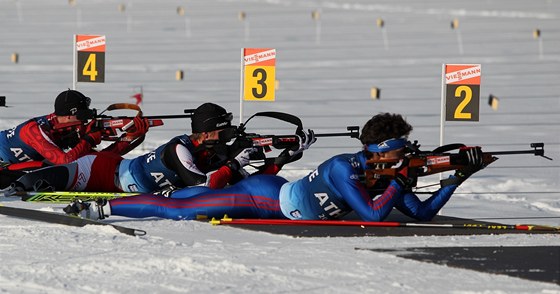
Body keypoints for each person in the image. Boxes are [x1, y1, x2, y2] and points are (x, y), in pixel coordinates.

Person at [66, 113, 485, 222]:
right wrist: (399, 180)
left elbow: (423, 212)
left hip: (276, 189)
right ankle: (103, 208)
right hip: (265, 199)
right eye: (397, 153)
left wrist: (457, 178)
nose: (402, 159)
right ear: (378, 150)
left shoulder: (385, 173)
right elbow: (374, 213)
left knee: (185, 198)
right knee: (180, 209)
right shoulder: (344, 167)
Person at [10, 102, 315, 194]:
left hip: (116, 172)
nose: (229, 138)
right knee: (36, 179)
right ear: (207, 132)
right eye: (224, 132)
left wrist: (281, 162)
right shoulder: (178, 149)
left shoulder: (210, 151)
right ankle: (10, 190)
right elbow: (207, 185)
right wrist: (236, 162)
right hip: (101, 171)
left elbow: (234, 182)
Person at [0, 89, 148, 188]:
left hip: (12, 166)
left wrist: (129, 138)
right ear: (69, 115)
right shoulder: (35, 130)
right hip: (3, 163)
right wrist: (89, 139)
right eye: (82, 116)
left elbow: (94, 160)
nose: (85, 121)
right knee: (45, 168)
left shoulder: (68, 127)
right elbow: (64, 161)